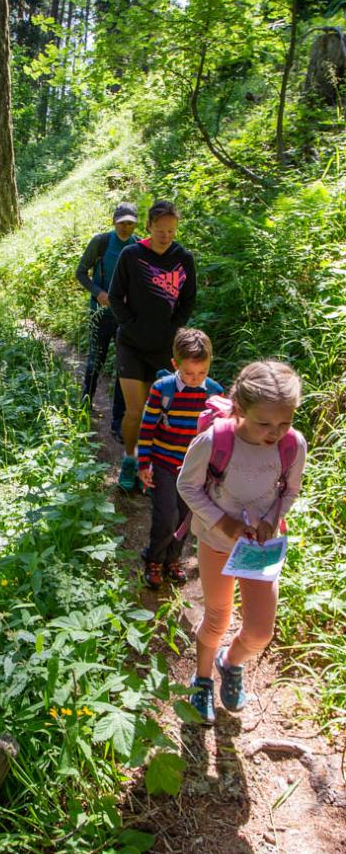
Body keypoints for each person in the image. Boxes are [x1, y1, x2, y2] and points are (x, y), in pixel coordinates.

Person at [177, 361, 307, 725]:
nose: (276, 432)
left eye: (284, 422)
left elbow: (290, 489)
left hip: (259, 549)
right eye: (265, 423)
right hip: (218, 541)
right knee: (217, 618)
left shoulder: (293, 445)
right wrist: (223, 522)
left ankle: (230, 663)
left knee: (260, 630)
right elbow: (187, 486)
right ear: (240, 408)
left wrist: (270, 519)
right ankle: (202, 679)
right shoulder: (215, 441)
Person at [109, 200, 197, 491]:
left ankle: (152, 466)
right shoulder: (132, 255)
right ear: (148, 226)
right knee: (135, 410)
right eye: (161, 230)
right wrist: (130, 324)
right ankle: (130, 460)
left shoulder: (182, 257)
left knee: (157, 410)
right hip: (131, 344)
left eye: (171, 231)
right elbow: (114, 295)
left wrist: (175, 329)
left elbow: (187, 300)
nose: (166, 236)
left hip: (164, 347)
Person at [137, 328, 223, 590]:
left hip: (195, 469)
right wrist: (143, 464)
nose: (196, 379)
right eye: (189, 373)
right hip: (164, 463)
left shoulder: (215, 392)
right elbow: (147, 427)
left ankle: (172, 559)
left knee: (186, 516)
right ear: (175, 364)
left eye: (202, 372)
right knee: (166, 516)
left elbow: (220, 433)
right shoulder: (162, 390)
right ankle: (154, 559)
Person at [76, 200, 139, 441]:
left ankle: (118, 423)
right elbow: (80, 272)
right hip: (100, 315)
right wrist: (98, 292)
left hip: (125, 319)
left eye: (130, 224)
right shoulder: (101, 242)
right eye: (122, 223)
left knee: (124, 369)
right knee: (95, 362)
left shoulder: (137, 246)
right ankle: (85, 406)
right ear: (114, 221)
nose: (125, 227)